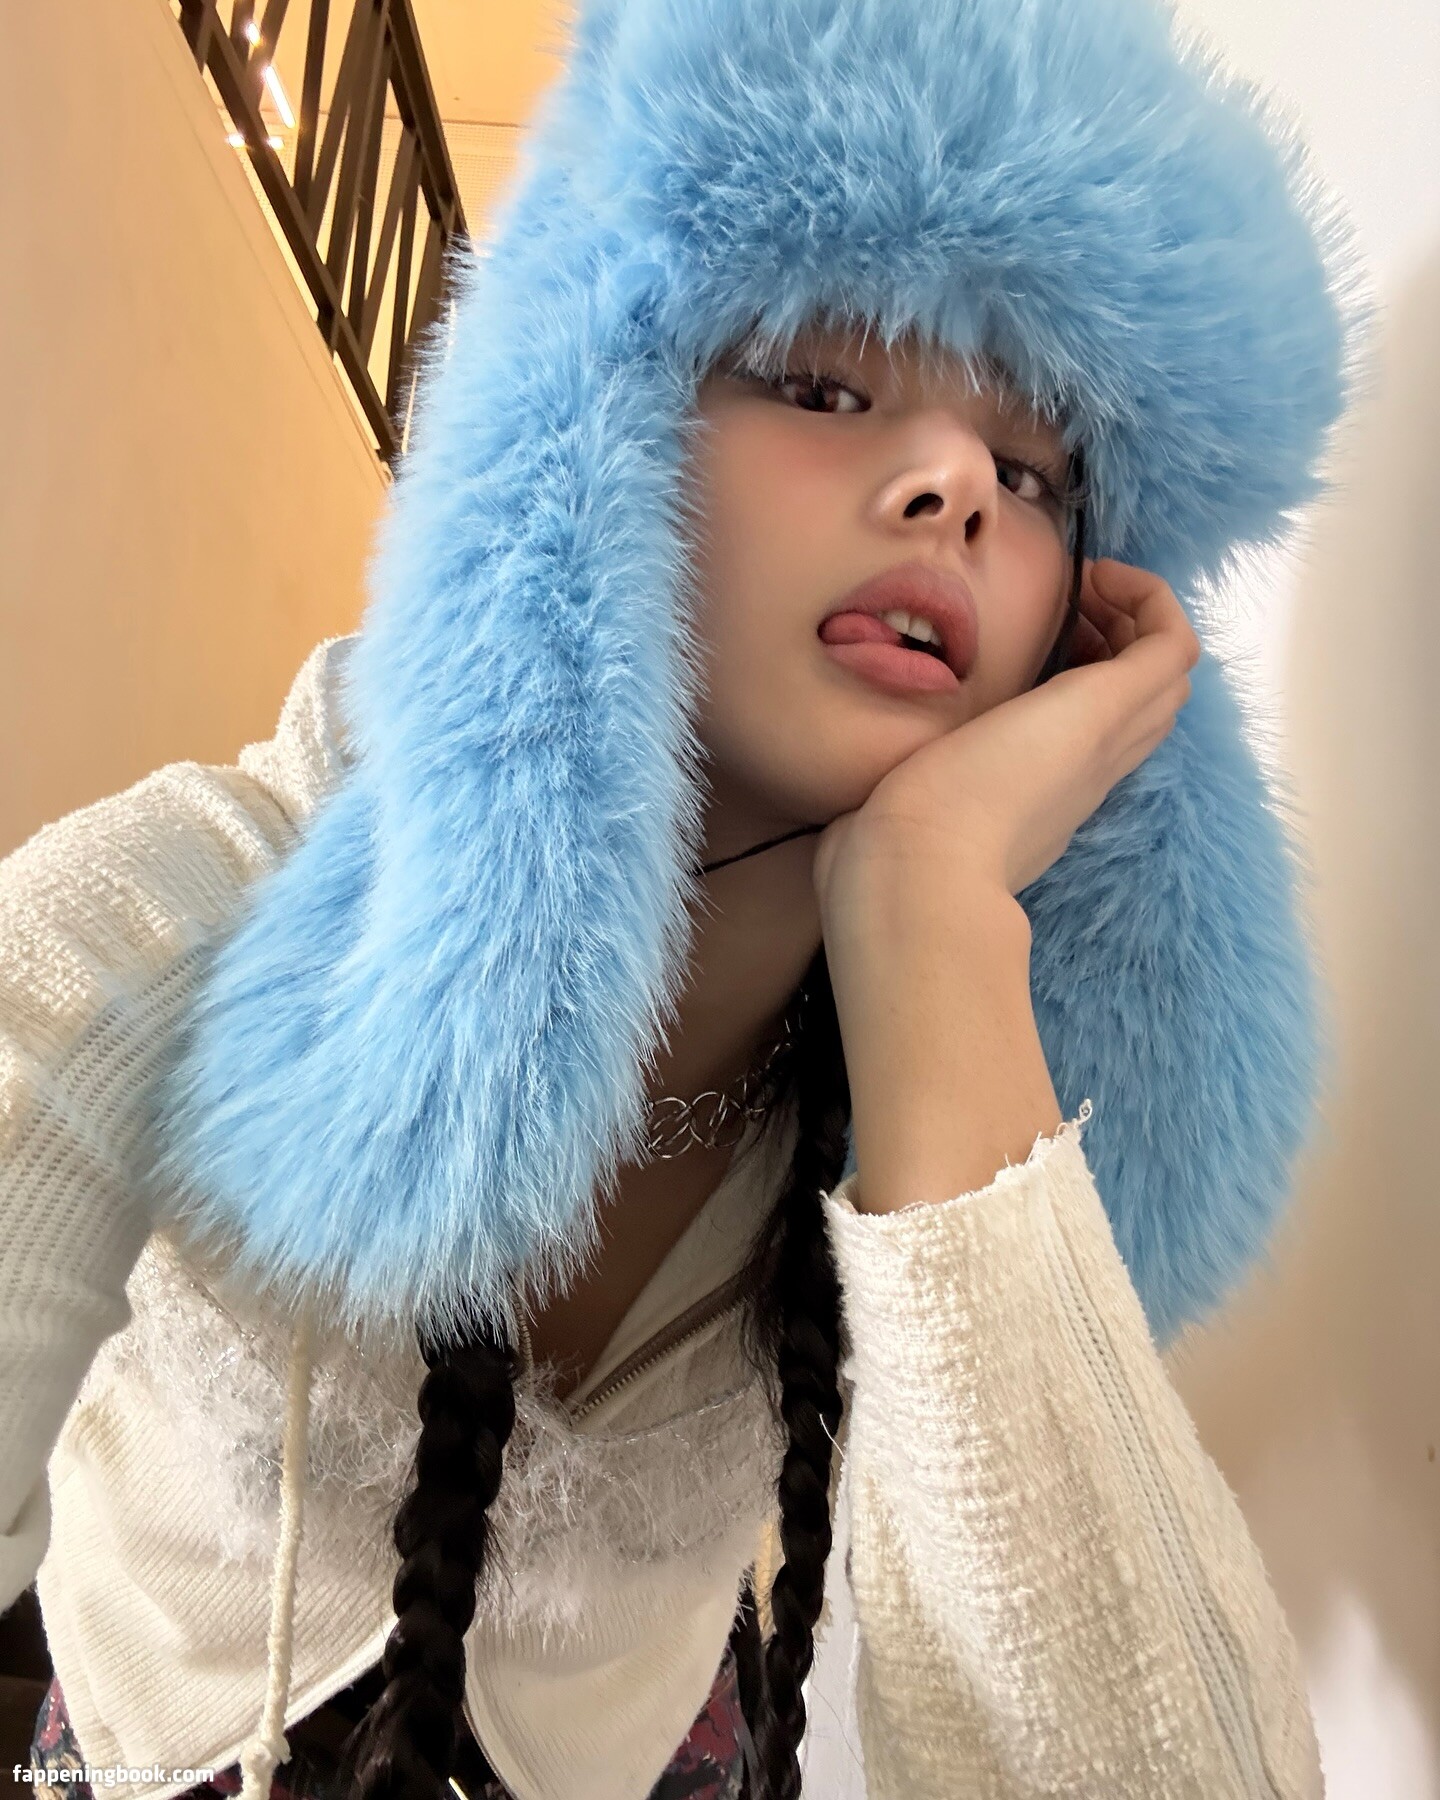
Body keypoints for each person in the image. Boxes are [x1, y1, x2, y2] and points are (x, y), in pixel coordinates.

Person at [1, 0, 1366, 1796]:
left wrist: (933, 919)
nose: (957, 484)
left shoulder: (926, 1050)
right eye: (823, 387)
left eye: (1032, 474)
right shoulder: (192, 898)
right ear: (589, 433)